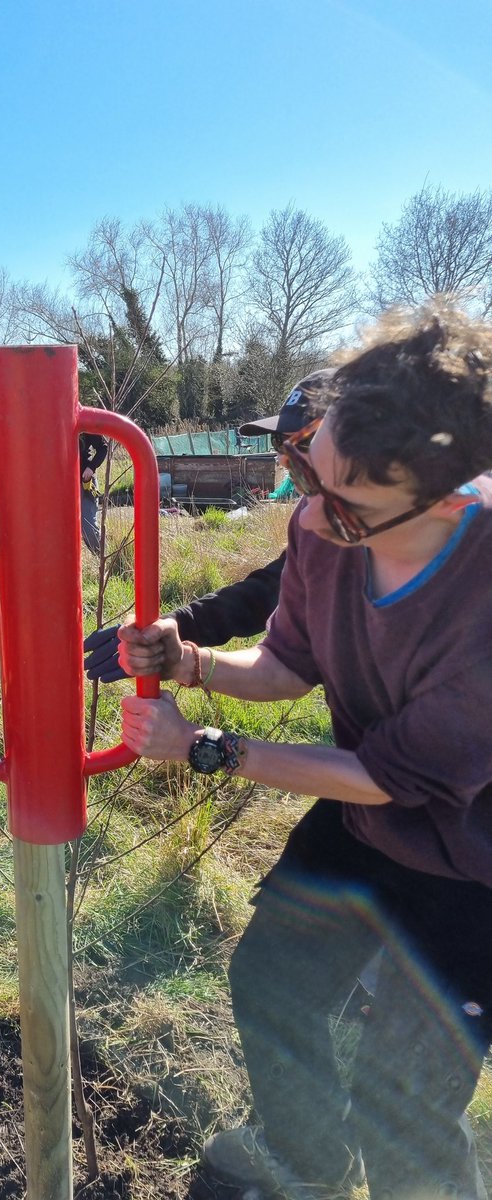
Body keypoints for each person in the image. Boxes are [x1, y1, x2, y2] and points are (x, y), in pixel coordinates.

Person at [118, 301, 492, 1200]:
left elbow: (379, 775)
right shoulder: (321, 524)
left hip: (473, 864)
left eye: (350, 509)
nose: (314, 523)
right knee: (272, 982)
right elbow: (290, 663)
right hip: (367, 828)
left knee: (401, 1101)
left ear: (449, 499)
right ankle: (311, 1166)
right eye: (308, 478)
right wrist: (196, 660)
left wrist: (208, 749)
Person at [83, 370, 335, 684]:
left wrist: (199, 737)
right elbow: (268, 594)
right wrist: (174, 631)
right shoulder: (317, 526)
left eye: (301, 444)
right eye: (279, 444)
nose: (284, 461)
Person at [79, 430, 107, 553]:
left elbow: (103, 447)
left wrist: (91, 468)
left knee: (88, 525)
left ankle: (103, 559)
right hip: (58, 484)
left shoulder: (82, 424)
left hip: (84, 481)